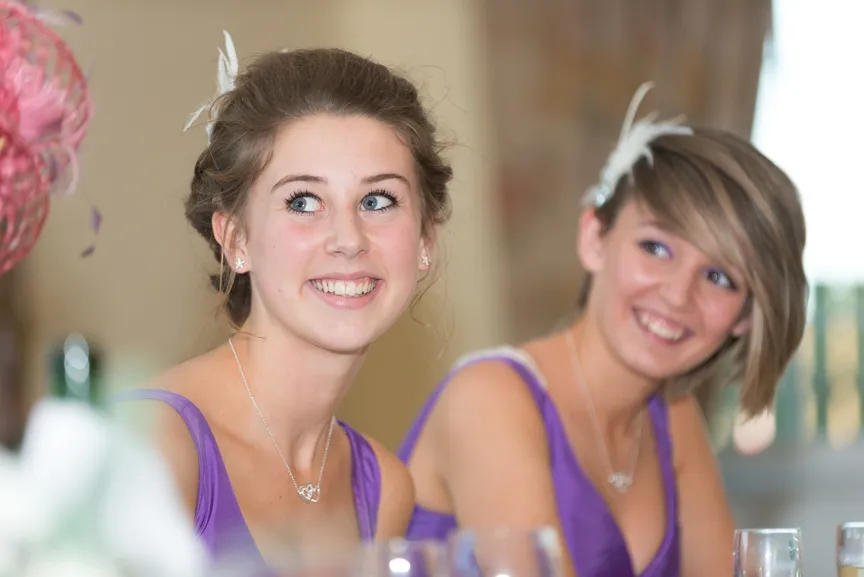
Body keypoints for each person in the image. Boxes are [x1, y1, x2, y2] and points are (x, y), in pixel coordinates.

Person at [398, 82, 807, 577]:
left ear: (745, 316)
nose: (678, 295)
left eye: (719, 277)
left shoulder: (672, 419)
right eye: (656, 248)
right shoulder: (489, 399)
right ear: (595, 237)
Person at [117, 31, 452, 570]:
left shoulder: (384, 489)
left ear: (425, 241)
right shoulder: (155, 449)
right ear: (236, 240)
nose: (348, 238)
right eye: (303, 201)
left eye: (377, 199)